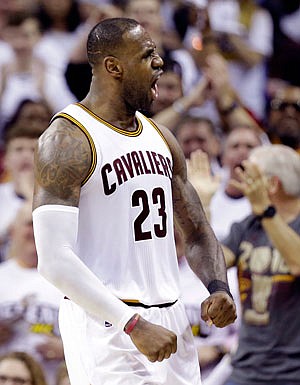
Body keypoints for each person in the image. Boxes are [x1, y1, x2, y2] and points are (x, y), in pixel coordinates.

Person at [32, 17, 236, 385]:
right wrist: (132, 323)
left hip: (171, 316)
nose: (159, 63)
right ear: (114, 67)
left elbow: (196, 230)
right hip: (107, 323)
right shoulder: (68, 140)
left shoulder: (162, 136)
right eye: (148, 55)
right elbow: (53, 261)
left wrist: (218, 286)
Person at [221, 144, 300, 385]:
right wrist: (200, 208)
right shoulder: (247, 226)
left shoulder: (264, 217)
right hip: (246, 369)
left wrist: (266, 211)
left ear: (272, 184)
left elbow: (297, 263)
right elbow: (213, 263)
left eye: (250, 176)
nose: (242, 182)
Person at [0, 202, 64, 385]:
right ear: (12, 230)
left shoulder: (68, 281)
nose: (36, 230)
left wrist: (67, 349)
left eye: (42, 224)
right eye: (29, 223)